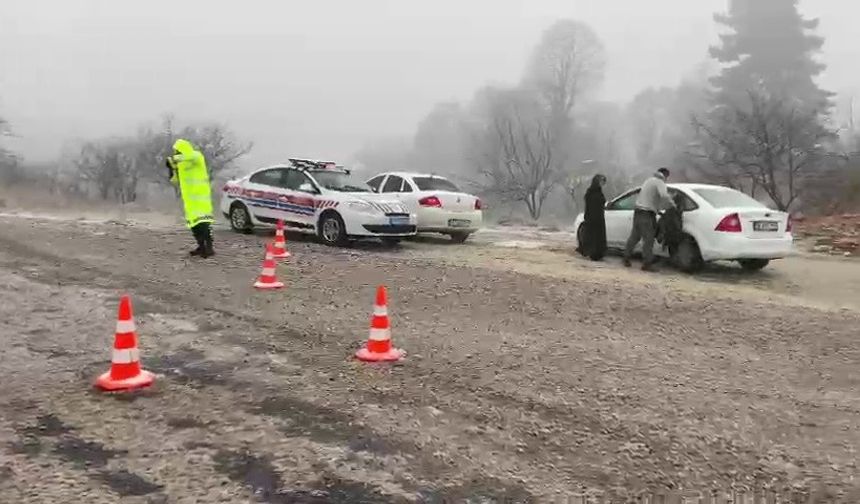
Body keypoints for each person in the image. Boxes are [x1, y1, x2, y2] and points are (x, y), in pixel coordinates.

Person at [165, 139, 215, 258]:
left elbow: (188, 156)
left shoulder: (196, 156)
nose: (176, 153)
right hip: (189, 199)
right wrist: (171, 170)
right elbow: (174, 181)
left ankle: (209, 248)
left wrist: (173, 160)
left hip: (201, 196)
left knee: (203, 223)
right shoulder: (182, 164)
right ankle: (201, 246)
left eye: (177, 151)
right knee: (194, 224)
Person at [623, 167, 675, 271]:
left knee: (634, 237)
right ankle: (647, 264)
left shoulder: (648, 180)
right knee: (649, 239)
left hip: (638, 211)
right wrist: (673, 204)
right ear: (665, 175)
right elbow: (664, 195)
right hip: (647, 214)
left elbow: (649, 197)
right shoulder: (659, 182)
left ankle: (626, 257)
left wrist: (658, 208)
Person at [579, 174, 607, 261]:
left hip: (599, 217)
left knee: (598, 236)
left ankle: (598, 253)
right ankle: (593, 253)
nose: (602, 184)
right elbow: (589, 206)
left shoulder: (598, 192)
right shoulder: (591, 192)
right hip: (592, 218)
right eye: (601, 182)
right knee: (593, 237)